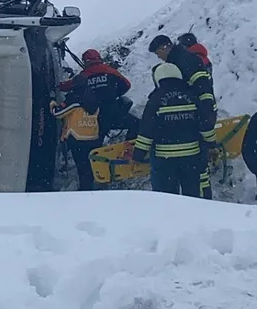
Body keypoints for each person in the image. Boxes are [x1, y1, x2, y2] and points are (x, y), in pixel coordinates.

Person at [149, 34, 218, 199]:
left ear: (165, 47)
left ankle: (204, 200)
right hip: (195, 114)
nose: (159, 56)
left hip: (197, 114)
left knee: (199, 163)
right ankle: (200, 197)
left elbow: (202, 88)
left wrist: (203, 114)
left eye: (158, 52)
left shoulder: (184, 60)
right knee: (195, 163)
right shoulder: (180, 59)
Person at [131, 63, 206, 197]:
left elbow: (146, 131)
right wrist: (210, 145)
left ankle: (169, 217)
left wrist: (138, 155)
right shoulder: (192, 96)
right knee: (193, 197)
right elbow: (204, 124)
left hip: (165, 160)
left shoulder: (155, 99)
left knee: (166, 199)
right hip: (191, 158)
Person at [58, 49, 137, 141]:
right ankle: (128, 147)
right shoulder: (110, 71)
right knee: (136, 124)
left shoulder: (84, 75)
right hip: (113, 113)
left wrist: (57, 86)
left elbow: (67, 86)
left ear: (86, 61)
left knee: (96, 138)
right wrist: (114, 93)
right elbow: (127, 85)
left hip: (93, 118)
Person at [50, 84, 101, 191]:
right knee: (88, 168)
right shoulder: (95, 100)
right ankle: (89, 187)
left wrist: (53, 103)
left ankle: (84, 192)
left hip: (77, 139)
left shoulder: (74, 102)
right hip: (92, 138)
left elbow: (58, 113)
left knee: (82, 168)